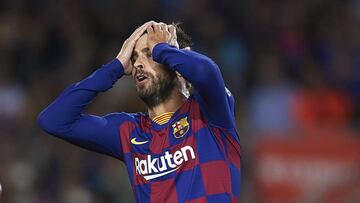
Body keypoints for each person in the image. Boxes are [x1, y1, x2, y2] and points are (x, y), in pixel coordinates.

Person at [38, 21, 240, 203]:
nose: (137, 64)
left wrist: (162, 49)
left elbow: (206, 72)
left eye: (149, 54)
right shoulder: (129, 132)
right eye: (134, 57)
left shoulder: (208, 111)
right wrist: (115, 67)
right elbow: (54, 120)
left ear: (177, 64)